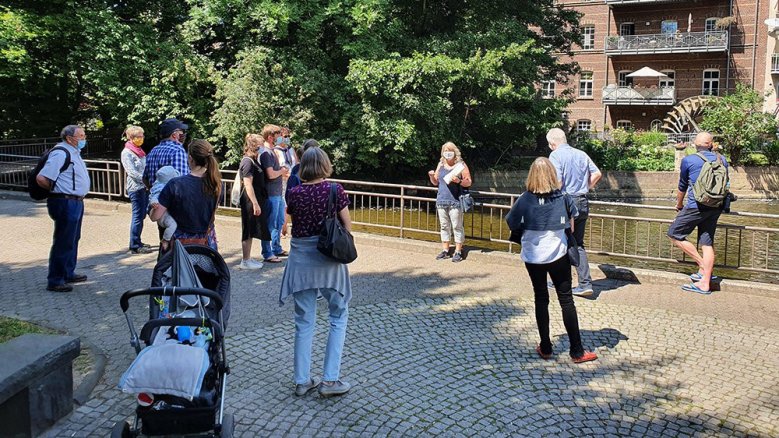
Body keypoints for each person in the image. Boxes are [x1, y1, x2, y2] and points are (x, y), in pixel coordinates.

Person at [506, 157, 598, 364]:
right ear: (552, 175)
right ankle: (577, 351)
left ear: (531, 176)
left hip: (533, 256)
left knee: (541, 298)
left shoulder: (524, 199)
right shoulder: (563, 198)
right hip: (558, 254)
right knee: (566, 300)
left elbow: (511, 222)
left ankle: (546, 347)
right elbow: (571, 228)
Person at [280, 146, 353, 398]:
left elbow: (291, 221)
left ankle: (302, 381)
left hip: (301, 262)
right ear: (324, 165)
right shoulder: (335, 190)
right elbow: (347, 225)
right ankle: (330, 380)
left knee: (303, 321)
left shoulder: (294, 193)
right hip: (329, 260)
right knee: (338, 315)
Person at [667, 132, 728, 294]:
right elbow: (726, 183)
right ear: (711, 144)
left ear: (695, 144)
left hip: (696, 206)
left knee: (674, 234)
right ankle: (705, 278)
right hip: (716, 206)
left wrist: (679, 204)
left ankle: (703, 268)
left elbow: (682, 186)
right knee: (706, 243)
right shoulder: (722, 160)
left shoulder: (689, 160)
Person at [547, 128, 602, 297]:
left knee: (560, 240)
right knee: (576, 243)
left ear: (552, 143)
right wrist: (585, 188)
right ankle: (583, 283)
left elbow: (558, 182)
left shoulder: (555, 155)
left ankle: (572, 282)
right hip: (582, 201)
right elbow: (597, 173)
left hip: (565, 202)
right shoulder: (581, 154)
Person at [36, 125, 91, 292]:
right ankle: (55, 280)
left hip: (75, 201)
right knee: (64, 240)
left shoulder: (74, 152)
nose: (84, 139)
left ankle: (68, 272)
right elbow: (42, 178)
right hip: (65, 202)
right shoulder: (61, 153)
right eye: (80, 136)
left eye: (84, 135)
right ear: (69, 138)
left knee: (73, 239)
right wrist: (58, 191)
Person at [150, 139, 221, 251]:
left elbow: (155, 216)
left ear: (190, 158)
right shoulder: (216, 184)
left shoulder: (175, 184)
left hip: (180, 245)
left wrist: (152, 207)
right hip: (207, 245)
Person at [427, 141, 472, 262]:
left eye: (449, 150)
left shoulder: (461, 165)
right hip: (441, 200)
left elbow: (468, 182)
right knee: (444, 226)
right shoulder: (441, 164)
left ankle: (458, 251)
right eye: (445, 151)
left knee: (457, 226)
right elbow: (435, 182)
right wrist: (431, 176)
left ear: (454, 152)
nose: (447, 153)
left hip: (455, 201)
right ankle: (445, 250)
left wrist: (459, 181)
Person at [238, 133, 270, 270]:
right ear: (255, 145)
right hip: (249, 200)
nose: (263, 146)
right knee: (248, 229)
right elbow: (247, 184)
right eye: (261, 144)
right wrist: (255, 203)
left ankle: (248, 258)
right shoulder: (247, 161)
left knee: (252, 229)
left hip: (255, 199)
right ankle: (245, 260)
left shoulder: (254, 159)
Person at [259, 124, 290, 263]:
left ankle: (276, 248)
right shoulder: (266, 153)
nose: (281, 138)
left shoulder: (271, 151)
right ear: (271, 137)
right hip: (271, 194)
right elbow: (270, 174)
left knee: (279, 221)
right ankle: (267, 252)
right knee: (270, 224)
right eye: (278, 136)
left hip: (278, 193)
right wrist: (282, 171)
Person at [120, 125, 152, 254]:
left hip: (144, 187)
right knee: (138, 216)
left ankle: (138, 240)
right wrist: (145, 180)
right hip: (136, 188)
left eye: (142, 136)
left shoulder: (139, 151)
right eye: (139, 136)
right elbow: (132, 172)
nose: (141, 138)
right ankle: (134, 245)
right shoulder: (127, 152)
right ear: (131, 138)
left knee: (142, 215)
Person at [143, 118, 190, 188]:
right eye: (181, 131)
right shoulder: (177, 151)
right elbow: (181, 181)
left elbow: (145, 178)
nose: (183, 134)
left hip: (154, 194)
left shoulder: (153, 151)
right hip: (172, 195)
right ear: (174, 134)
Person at [148, 166, 180, 251]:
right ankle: (165, 240)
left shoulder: (163, 185)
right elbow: (154, 197)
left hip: (164, 214)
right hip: (163, 216)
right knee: (173, 225)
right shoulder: (161, 189)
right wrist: (154, 203)